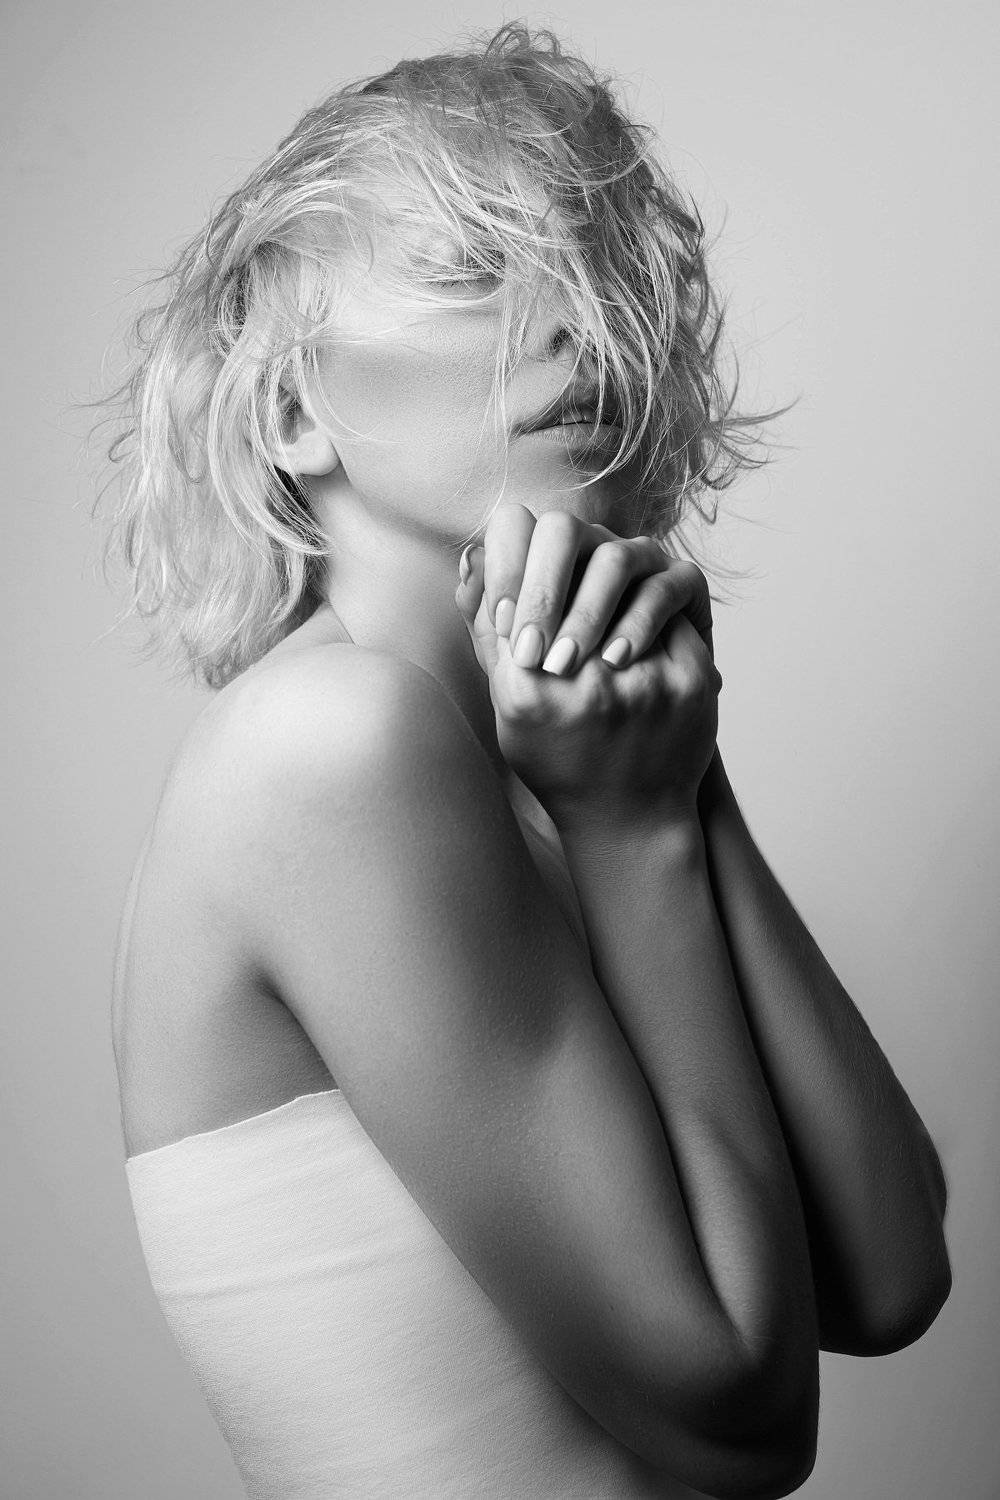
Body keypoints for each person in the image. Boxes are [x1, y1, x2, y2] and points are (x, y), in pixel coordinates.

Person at [101, 23, 951, 1500]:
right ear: (292, 410)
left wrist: (674, 779)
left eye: (595, 271)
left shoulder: (547, 760)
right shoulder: (328, 745)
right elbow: (739, 1420)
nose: (575, 323)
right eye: (473, 266)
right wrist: (636, 832)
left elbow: (890, 1276)